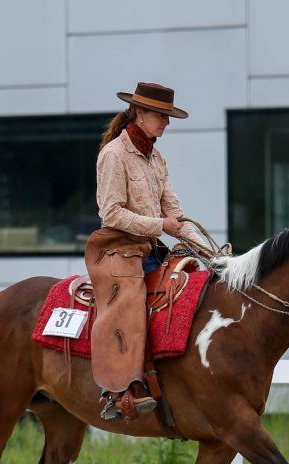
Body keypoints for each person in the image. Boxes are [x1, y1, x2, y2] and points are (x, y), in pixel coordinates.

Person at [85, 82, 207, 422]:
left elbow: (175, 216)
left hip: (152, 248)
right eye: (161, 116)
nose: (166, 123)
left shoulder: (157, 158)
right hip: (117, 250)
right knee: (129, 304)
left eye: (168, 117)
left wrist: (210, 253)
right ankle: (119, 392)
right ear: (140, 114)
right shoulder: (113, 154)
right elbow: (111, 213)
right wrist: (159, 225)